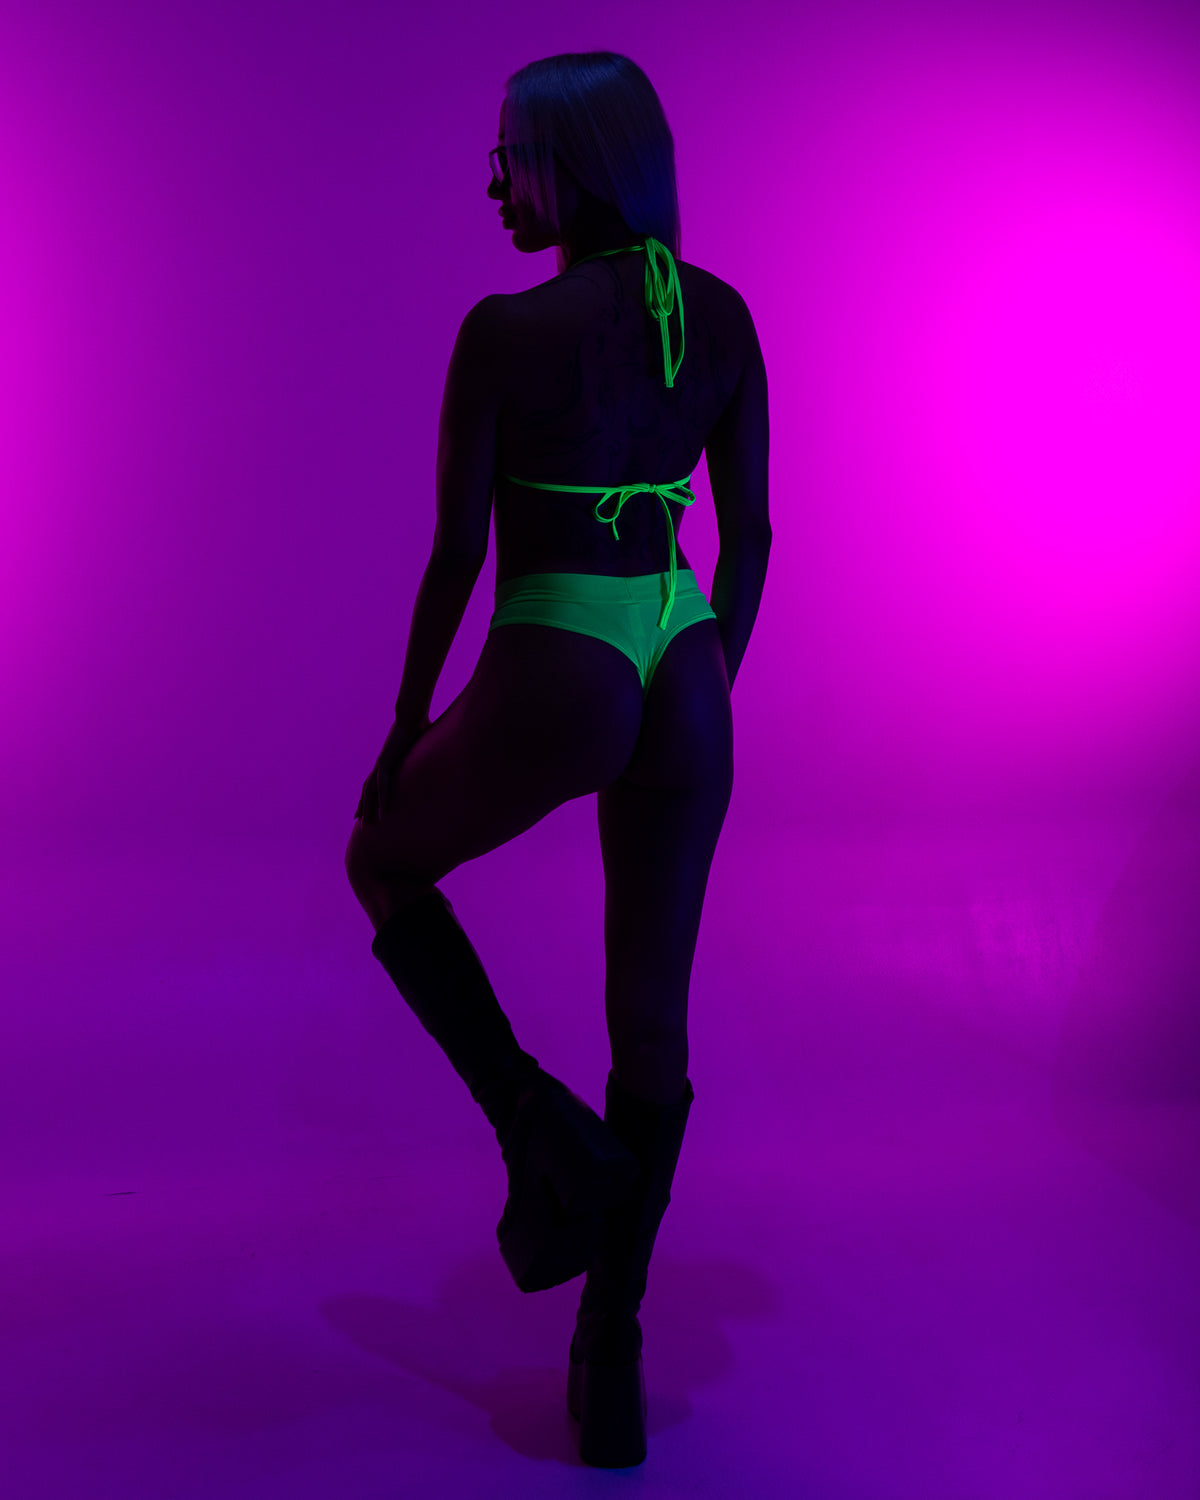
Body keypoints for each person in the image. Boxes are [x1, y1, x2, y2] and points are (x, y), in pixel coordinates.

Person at [344, 50, 770, 1468]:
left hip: (564, 653)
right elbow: (754, 538)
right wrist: (706, 686)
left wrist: (405, 722)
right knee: (652, 1026)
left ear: (568, 168)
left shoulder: (502, 331)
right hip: (684, 656)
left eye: (508, 158)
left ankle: (538, 1129)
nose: (492, 185)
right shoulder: (722, 317)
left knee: (380, 857)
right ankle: (613, 1345)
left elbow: (458, 556)